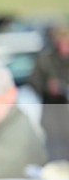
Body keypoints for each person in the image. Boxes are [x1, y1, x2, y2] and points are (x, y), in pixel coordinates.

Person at [28, 25, 69, 160]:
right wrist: (47, 87)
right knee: (55, 158)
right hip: (52, 116)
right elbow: (33, 82)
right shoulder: (45, 59)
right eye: (62, 41)